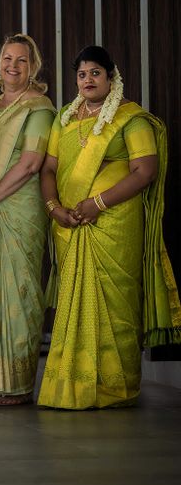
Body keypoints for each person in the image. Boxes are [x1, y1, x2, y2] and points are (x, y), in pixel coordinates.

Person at [38, 45, 180, 409]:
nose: (88, 80)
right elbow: (49, 169)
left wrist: (98, 203)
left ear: (111, 76)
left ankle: (116, 388)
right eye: (82, 75)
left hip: (115, 226)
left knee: (116, 305)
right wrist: (54, 208)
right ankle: (72, 386)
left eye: (95, 73)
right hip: (70, 224)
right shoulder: (64, 119)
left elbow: (145, 171)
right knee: (75, 304)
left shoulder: (131, 118)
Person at [0, 34, 56, 406]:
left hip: (19, 208)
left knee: (18, 291)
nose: (12, 66)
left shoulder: (39, 107)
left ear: (32, 67)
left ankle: (19, 385)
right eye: (7, 58)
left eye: (21, 60)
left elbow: (31, 163)